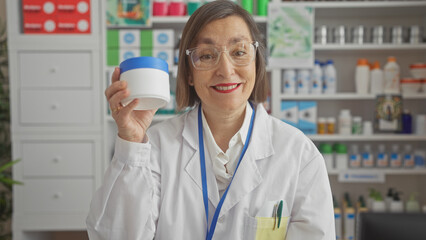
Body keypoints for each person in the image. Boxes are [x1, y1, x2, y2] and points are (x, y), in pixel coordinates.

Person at [87, 1, 335, 239]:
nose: (226, 70)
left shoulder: (299, 154)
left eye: (239, 52)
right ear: (189, 73)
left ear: (257, 64)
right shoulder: (155, 146)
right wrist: (131, 143)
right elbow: (115, 235)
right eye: (206, 56)